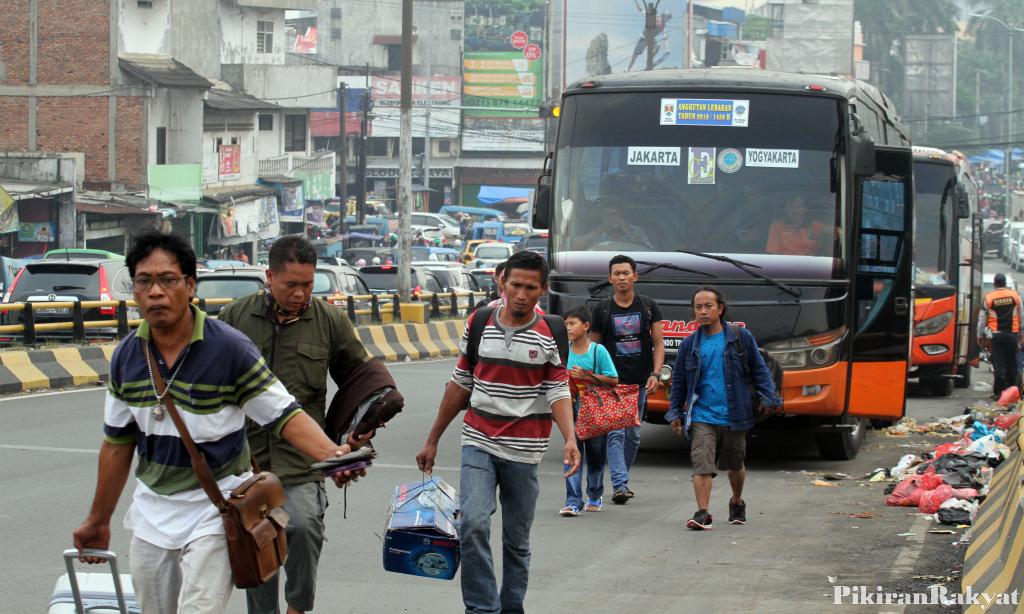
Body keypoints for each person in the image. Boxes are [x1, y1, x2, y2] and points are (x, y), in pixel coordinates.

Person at [71, 229, 363, 614]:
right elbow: (117, 445)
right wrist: (98, 519)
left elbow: (285, 414)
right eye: (144, 281)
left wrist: (334, 456)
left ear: (190, 285)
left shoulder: (228, 348)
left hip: (217, 509)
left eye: (168, 280)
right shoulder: (127, 357)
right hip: (151, 514)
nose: (156, 292)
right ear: (134, 290)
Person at [415, 250, 580, 614]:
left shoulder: (551, 332)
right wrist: (432, 439)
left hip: (525, 451)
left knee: (516, 542)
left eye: (530, 288)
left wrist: (569, 438)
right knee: (473, 523)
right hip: (479, 440)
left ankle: (511, 607)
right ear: (502, 282)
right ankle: (481, 609)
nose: (521, 294)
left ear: (543, 290)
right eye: (516, 285)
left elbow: (558, 390)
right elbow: (460, 383)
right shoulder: (479, 322)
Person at [218, 236, 375, 614]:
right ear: (269, 276)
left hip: (302, 459)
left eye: (308, 283)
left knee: (304, 529)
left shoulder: (330, 321)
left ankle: (298, 608)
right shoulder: (233, 320)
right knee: (255, 542)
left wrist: (361, 425)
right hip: (247, 462)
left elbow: (361, 379)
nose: (301, 293)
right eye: (292, 284)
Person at [665, 286, 779, 530]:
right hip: (701, 416)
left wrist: (768, 397)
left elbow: (759, 370)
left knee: (735, 464)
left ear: (720, 308)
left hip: (735, 414)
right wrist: (675, 412)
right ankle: (703, 513)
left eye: (708, 306)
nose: (703, 312)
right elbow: (680, 383)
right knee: (701, 463)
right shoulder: (688, 345)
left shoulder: (740, 338)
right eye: (698, 307)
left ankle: (737, 502)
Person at [590, 254, 664, 505]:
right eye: (617, 274)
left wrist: (655, 373)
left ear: (635, 276)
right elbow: (594, 347)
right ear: (610, 279)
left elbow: (658, 343)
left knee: (632, 435)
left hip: (640, 382)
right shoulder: (601, 309)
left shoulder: (648, 306)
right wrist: (593, 379)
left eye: (626, 273)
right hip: (612, 383)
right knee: (616, 433)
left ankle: (622, 477)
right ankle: (620, 485)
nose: (622, 277)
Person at [559, 305, 618, 516]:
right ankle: (573, 501)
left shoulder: (598, 351)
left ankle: (595, 494)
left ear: (586, 326)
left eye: (572, 323)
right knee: (572, 454)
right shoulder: (563, 351)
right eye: (565, 324)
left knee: (595, 457)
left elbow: (613, 380)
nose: (568, 328)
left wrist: (586, 377)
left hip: (595, 416)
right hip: (571, 415)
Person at [978, 273, 1023, 398]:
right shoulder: (1015, 296)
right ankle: (1014, 393)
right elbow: (1021, 316)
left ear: (995, 283)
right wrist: (1021, 332)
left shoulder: (989, 298)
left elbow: (981, 320)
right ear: (1005, 283)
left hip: (996, 336)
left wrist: (980, 336)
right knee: (1012, 364)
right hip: (1012, 334)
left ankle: (999, 393)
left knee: (999, 364)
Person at [765, 196, 838, 256]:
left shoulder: (815, 226)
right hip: (783, 268)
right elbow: (773, 255)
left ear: (805, 209)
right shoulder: (777, 227)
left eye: (798, 206)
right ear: (785, 210)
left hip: (811, 268)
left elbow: (837, 231)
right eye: (791, 207)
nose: (795, 211)